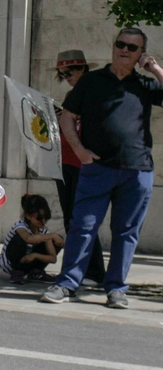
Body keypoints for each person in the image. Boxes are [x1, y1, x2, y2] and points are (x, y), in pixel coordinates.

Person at [40, 27, 163, 310]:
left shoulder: (144, 85)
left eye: (133, 47)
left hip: (137, 171)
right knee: (83, 226)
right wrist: (80, 150)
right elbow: (68, 117)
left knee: (126, 232)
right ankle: (67, 283)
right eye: (121, 44)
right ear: (113, 46)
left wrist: (155, 67)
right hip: (97, 169)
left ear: (139, 53)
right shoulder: (91, 81)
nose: (125, 50)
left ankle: (116, 288)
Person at [53, 50, 106, 285]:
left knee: (83, 221)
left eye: (69, 72)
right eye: (62, 74)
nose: (67, 77)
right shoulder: (70, 95)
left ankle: (93, 271)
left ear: (82, 69)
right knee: (71, 221)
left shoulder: (95, 93)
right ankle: (75, 270)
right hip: (65, 162)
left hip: (83, 164)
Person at [0, 194, 62, 285]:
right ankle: (17, 272)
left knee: (56, 240)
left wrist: (35, 255)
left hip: (29, 261)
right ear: (28, 216)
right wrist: (52, 235)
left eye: (46, 217)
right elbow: (28, 238)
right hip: (10, 263)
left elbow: (53, 258)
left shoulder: (44, 232)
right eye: (39, 218)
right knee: (19, 239)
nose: (43, 221)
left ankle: (35, 272)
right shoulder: (20, 226)